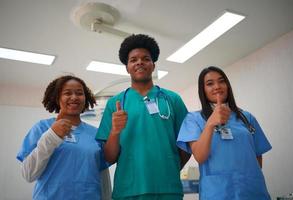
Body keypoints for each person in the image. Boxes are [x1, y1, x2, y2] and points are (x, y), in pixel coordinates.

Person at [96, 34, 191, 200]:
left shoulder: (172, 99)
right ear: (127, 67)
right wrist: (115, 132)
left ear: (153, 65)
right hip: (128, 190)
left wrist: (169, 167)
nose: (139, 62)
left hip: (168, 189)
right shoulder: (115, 103)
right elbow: (108, 157)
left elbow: (186, 144)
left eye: (145, 58)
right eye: (133, 59)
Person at [177, 66, 272, 200]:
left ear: (227, 85)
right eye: (210, 83)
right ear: (203, 90)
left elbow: (257, 156)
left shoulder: (246, 117)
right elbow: (200, 156)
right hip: (217, 193)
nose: (217, 86)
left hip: (253, 191)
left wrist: (249, 179)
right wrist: (210, 123)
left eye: (221, 81)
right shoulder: (193, 119)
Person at [17, 75, 110, 200]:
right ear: (57, 98)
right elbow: (28, 174)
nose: (74, 97)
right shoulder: (42, 128)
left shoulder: (96, 133)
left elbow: (102, 176)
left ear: (85, 98)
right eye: (67, 93)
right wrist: (52, 135)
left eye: (79, 93)